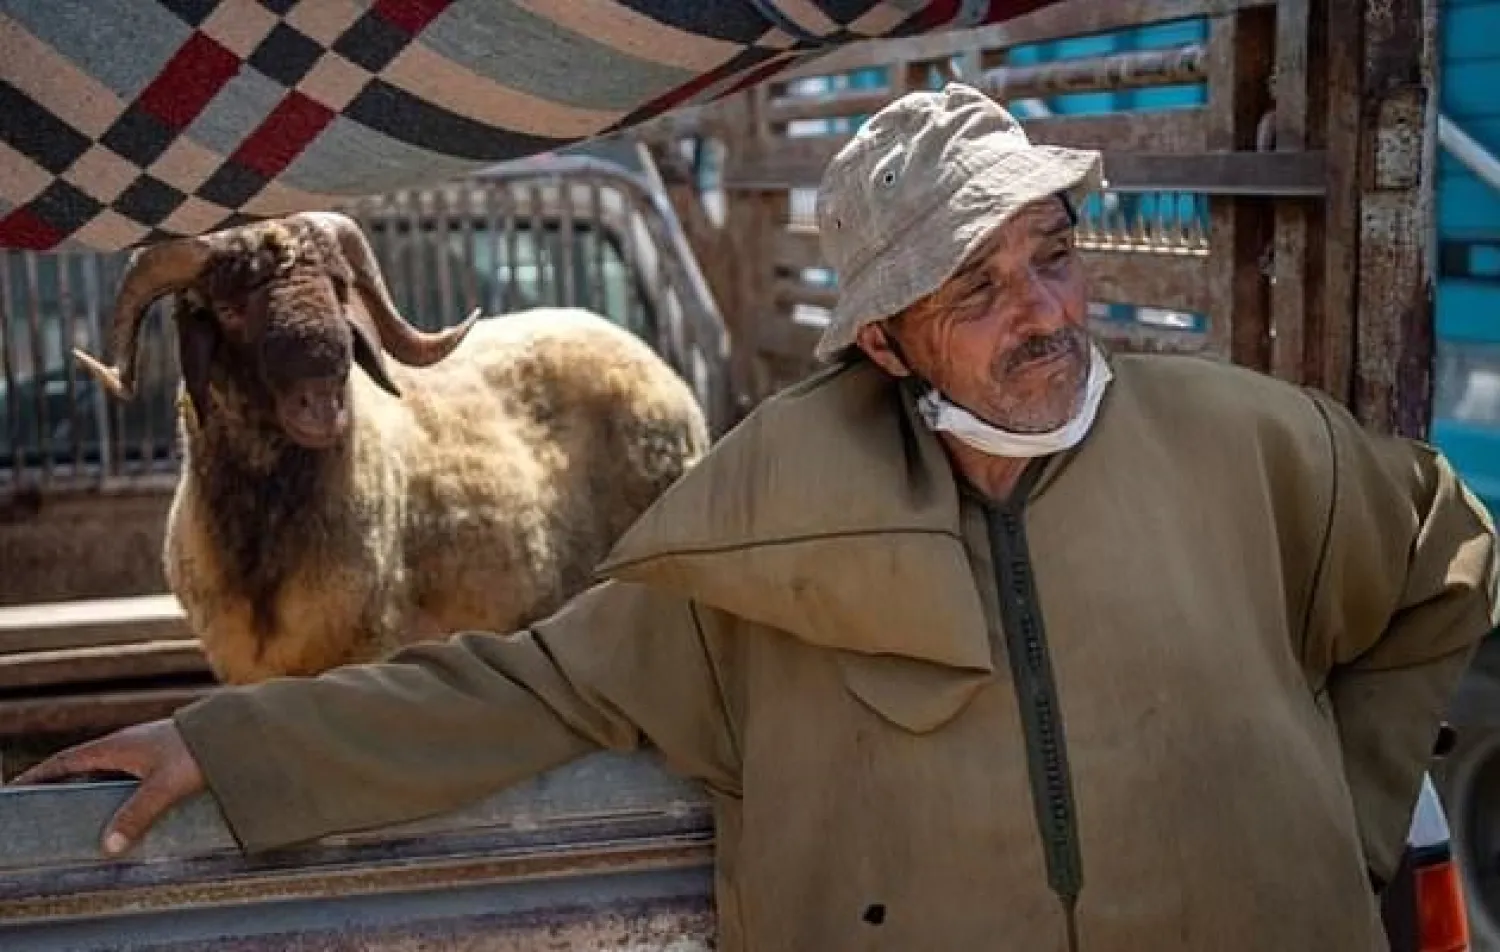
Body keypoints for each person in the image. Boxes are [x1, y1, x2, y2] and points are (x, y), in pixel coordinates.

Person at [13, 83, 1499, 951]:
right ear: (880, 342)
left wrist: (1350, 809)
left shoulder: (1249, 447)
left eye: (1050, 255)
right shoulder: (766, 546)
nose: (1044, 316)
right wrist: (228, 741)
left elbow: (1448, 558)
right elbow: (514, 690)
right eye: (972, 291)